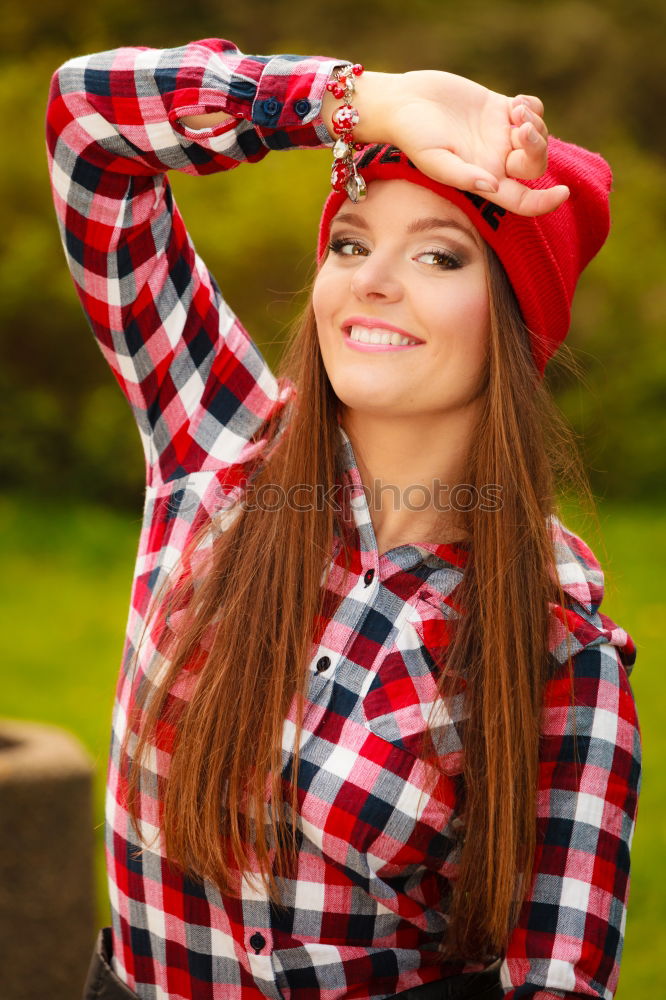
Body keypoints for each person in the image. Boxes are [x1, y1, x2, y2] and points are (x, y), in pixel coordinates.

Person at [45, 36, 641, 1000]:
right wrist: (357, 102)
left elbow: (559, 979)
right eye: (351, 241)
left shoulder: (560, 651)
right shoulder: (218, 444)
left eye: (439, 255)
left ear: (513, 321)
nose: (370, 279)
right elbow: (88, 124)